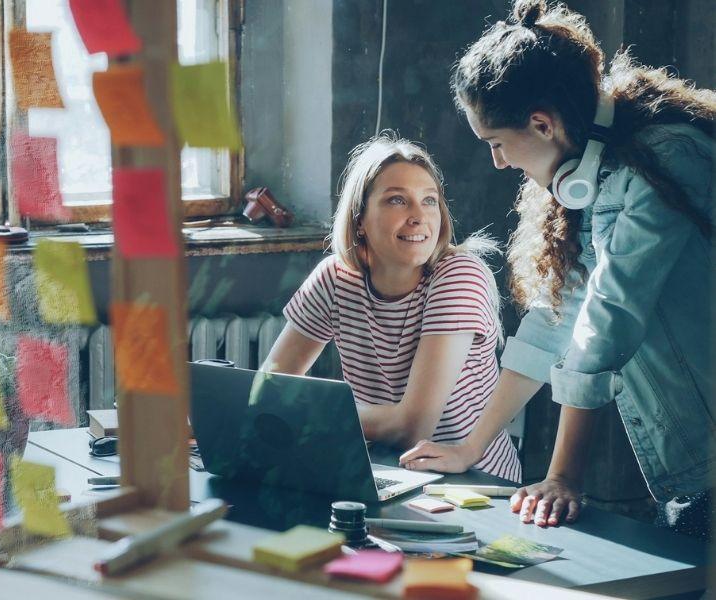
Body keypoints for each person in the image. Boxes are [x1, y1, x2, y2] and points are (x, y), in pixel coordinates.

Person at [399, 0, 714, 539]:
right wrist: (470, 447)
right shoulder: (584, 176)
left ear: (542, 123)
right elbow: (554, 320)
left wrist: (563, 475)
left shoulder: (669, 159)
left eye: (497, 143)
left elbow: (606, 322)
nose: (498, 162)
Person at [262, 133, 521, 481]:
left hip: (473, 483)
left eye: (429, 201)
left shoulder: (460, 276)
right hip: (385, 472)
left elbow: (413, 427)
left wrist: (310, 411)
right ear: (359, 221)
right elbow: (270, 389)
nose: (419, 217)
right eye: (397, 200)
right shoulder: (336, 278)